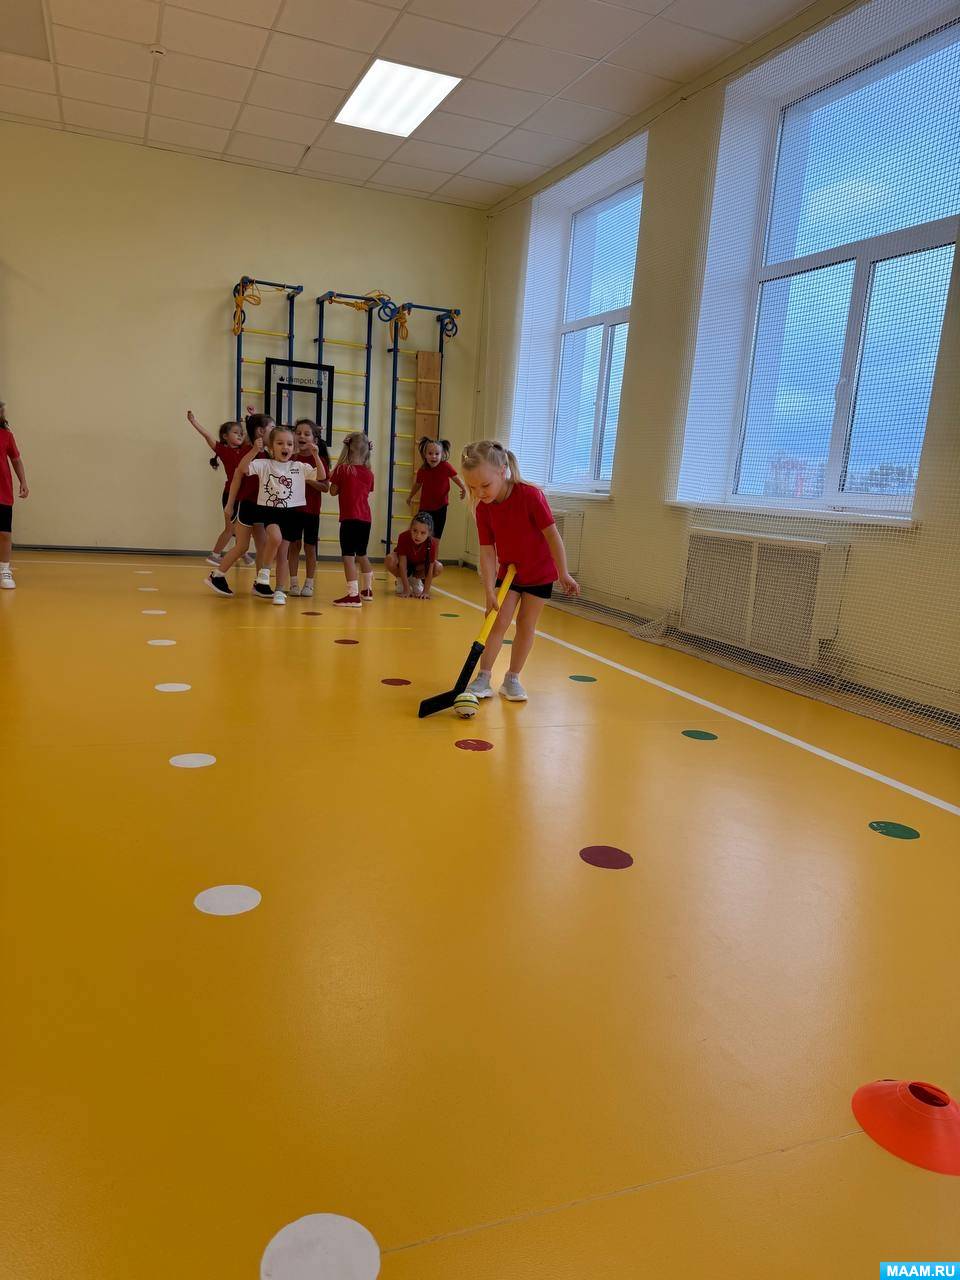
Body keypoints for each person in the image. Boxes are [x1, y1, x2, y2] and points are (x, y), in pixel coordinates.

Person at [460, 439, 579, 702]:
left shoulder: (530, 496)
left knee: (526, 625)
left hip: (540, 573)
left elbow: (552, 536)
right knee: (497, 622)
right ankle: (483, 677)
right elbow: (487, 552)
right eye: (472, 487)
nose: (479, 493)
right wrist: (489, 590)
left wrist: (563, 572)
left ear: (502, 471)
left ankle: (512, 678)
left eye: (485, 485)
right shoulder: (484, 508)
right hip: (510, 572)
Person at [206, 424, 323, 606]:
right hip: (261, 508)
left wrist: (315, 455)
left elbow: (321, 477)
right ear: (270, 444)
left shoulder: (297, 466)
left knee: (275, 551)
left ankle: (271, 586)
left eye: (289, 444)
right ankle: (227, 574)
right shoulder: (262, 461)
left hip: (284, 512)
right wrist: (230, 504)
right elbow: (240, 471)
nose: (285, 447)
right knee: (255, 543)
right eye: (279, 442)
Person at [183, 410, 247, 566]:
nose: (240, 435)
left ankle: (242, 553)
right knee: (230, 529)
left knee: (241, 528)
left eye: (241, 433)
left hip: (244, 495)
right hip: (230, 494)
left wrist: (248, 419)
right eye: (235, 433)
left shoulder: (246, 450)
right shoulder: (223, 451)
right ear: (225, 436)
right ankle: (214, 555)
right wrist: (194, 422)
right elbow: (207, 436)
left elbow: (252, 436)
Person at [329, 431, 374, 608]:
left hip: (350, 518)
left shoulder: (342, 469)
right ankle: (367, 590)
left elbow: (333, 491)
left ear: (347, 448)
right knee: (362, 554)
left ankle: (353, 595)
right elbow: (366, 490)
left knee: (348, 556)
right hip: (366, 519)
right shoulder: (369, 473)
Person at [287, 419, 330, 598]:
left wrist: (308, 480)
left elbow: (325, 487)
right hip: (293, 510)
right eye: (298, 433)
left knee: (310, 547)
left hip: (311, 511)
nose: (302, 436)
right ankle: (293, 583)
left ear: (315, 439)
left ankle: (309, 583)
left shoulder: (320, 460)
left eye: (306, 434)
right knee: (293, 546)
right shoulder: (290, 457)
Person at [407, 437, 465, 542]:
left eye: (437, 454)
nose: (433, 456)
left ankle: (433, 553)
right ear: (425, 455)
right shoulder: (423, 470)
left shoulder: (446, 467)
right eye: (430, 453)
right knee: (422, 535)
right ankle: (421, 552)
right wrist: (410, 496)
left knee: (436, 538)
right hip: (425, 508)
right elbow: (417, 485)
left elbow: (456, 478)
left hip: (441, 507)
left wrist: (464, 488)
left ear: (442, 455)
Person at [0, 400, 28, 590]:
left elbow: (16, 460)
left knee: (4, 533)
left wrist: (23, 482)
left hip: (3, 491)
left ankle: (4, 569)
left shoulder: (7, 436)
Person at [385, 511, 442, 598]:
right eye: (415, 531)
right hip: (405, 564)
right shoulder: (403, 537)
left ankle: (415, 580)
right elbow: (402, 564)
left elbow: (429, 569)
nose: (418, 536)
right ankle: (402, 580)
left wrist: (426, 592)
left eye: (423, 533)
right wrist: (406, 589)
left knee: (438, 567)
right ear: (410, 528)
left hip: (418, 567)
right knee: (389, 559)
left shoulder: (432, 542)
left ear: (429, 533)